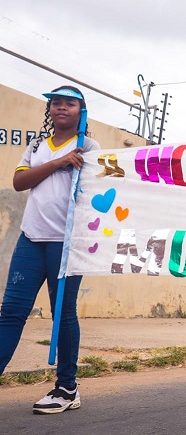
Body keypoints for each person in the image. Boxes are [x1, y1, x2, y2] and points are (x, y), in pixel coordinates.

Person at [0, 86, 100, 414]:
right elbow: (20, 182)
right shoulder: (37, 145)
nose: (61, 108)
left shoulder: (89, 147)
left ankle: (67, 388)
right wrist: (59, 162)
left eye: (69, 103)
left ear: (81, 111)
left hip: (66, 242)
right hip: (31, 238)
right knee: (11, 312)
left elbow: (98, 193)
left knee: (62, 313)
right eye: (56, 102)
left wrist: (78, 164)